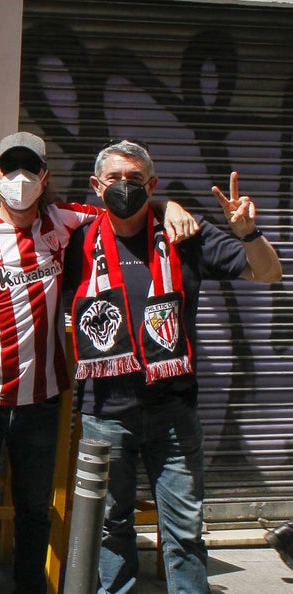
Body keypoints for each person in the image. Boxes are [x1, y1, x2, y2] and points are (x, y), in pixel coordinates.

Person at [0, 132, 197, 594]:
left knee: (35, 508)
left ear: (45, 176)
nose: (21, 179)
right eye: (11, 168)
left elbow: (125, 207)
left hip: (43, 398)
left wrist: (166, 206)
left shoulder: (65, 220)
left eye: (30, 169)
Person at [65, 141, 281, 593]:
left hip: (173, 413)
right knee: (110, 528)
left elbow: (268, 273)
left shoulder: (185, 235)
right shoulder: (76, 240)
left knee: (184, 532)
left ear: (153, 185)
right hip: (104, 414)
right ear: (94, 186)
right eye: (114, 180)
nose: (125, 188)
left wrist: (247, 234)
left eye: (136, 181)